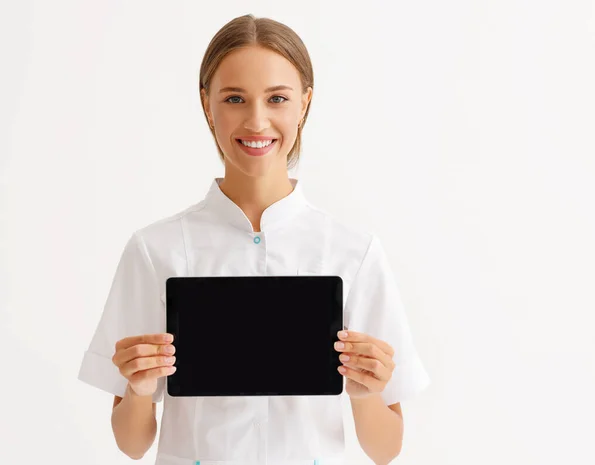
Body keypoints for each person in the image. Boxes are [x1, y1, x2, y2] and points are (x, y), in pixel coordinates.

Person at [77, 13, 431, 465]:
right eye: (235, 98)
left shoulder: (353, 253)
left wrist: (365, 394)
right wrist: (140, 388)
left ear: (304, 104)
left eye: (277, 98)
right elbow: (132, 443)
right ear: (207, 104)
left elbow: (386, 450)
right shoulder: (155, 250)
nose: (257, 120)